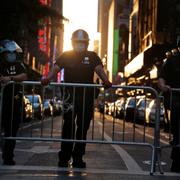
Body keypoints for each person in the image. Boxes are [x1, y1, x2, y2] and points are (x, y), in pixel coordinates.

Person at [41, 29, 112, 168]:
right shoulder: (66, 56)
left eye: (82, 42)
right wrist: (47, 78)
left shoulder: (92, 56)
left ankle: (78, 157)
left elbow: (99, 70)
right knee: (68, 125)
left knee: (83, 127)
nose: (80, 45)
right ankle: (64, 157)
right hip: (70, 97)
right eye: (77, 42)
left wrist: (106, 80)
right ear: (73, 43)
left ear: (86, 43)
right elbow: (55, 69)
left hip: (86, 97)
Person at [0, 40, 28, 165]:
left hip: (14, 102)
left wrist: (10, 79)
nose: (11, 55)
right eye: (8, 53)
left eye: (13, 53)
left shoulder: (19, 65)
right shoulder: (1, 65)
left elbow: (24, 76)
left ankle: (8, 156)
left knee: (11, 131)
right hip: (2, 102)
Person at [158, 43, 180, 172]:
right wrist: (164, 87)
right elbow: (161, 78)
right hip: (176, 102)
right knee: (178, 133)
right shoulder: (172, 60)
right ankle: (177, 162)